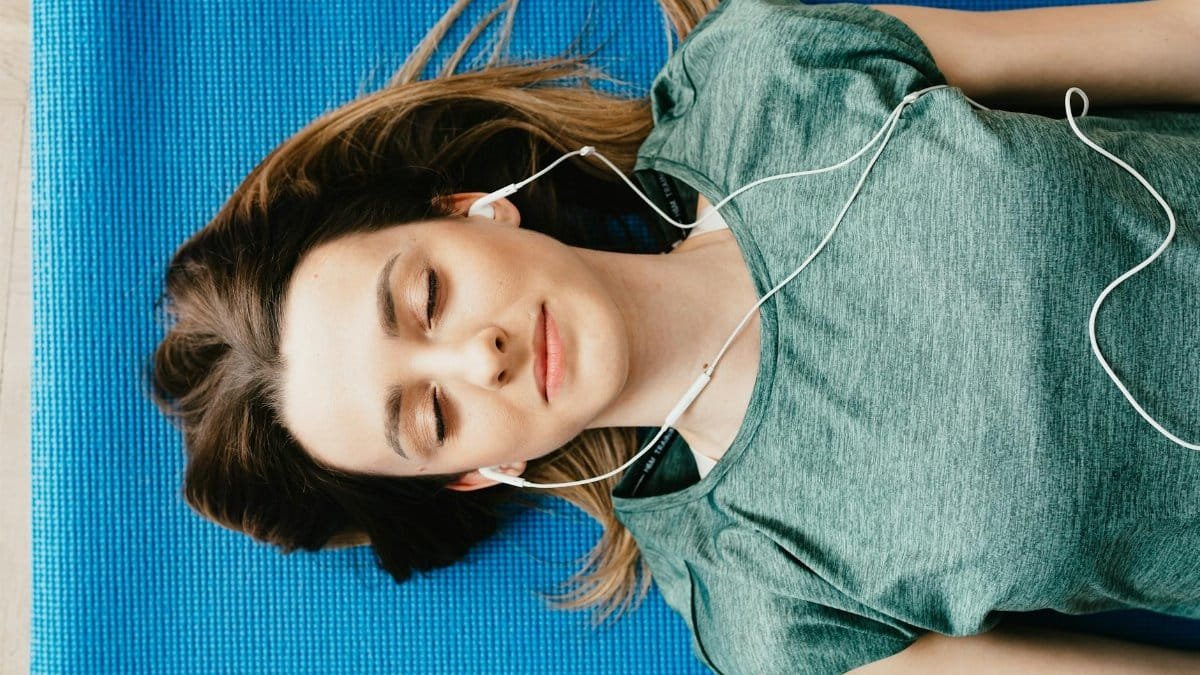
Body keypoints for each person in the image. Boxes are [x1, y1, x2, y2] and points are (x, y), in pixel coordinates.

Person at [148, 0, 1200, 671]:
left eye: (425, 299)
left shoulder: (761, 75)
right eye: (431, 412)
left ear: (473, 208)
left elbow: (1161, 42)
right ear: (478, 472)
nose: (479, 355)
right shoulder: (760, 601)